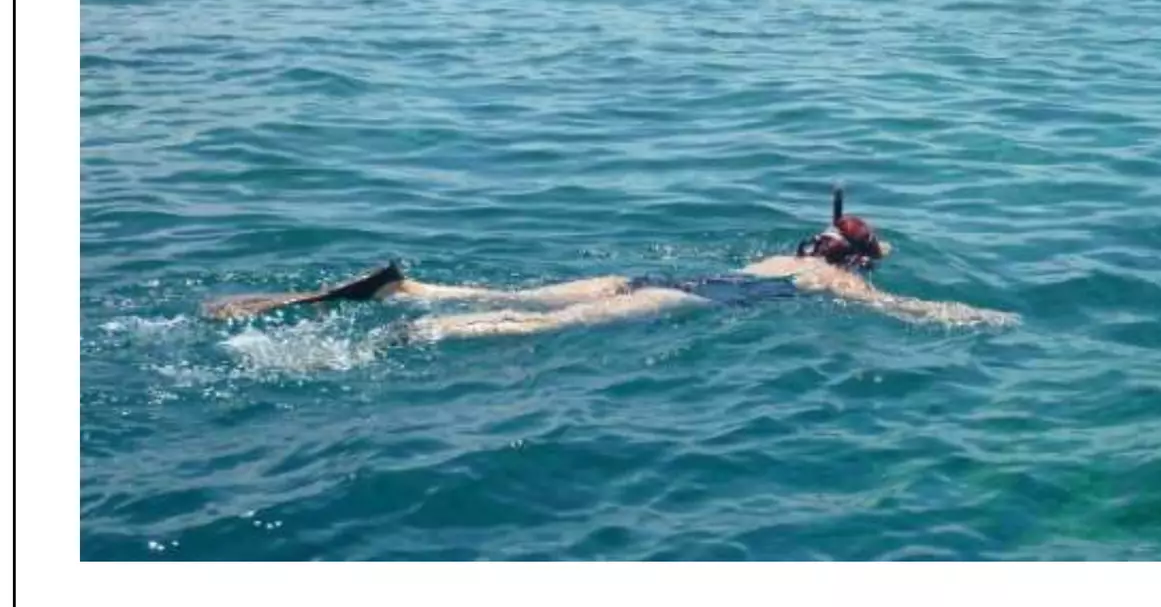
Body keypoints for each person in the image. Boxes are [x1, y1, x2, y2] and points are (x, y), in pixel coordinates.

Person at [201, 186, 1018, 336]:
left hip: (655, 276)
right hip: (688, 305)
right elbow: (897, 309)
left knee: (527, 296)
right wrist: (968, 315)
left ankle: (409, 290)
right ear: (856, 262)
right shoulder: (824, 280)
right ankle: (430, 333)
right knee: (532, 329)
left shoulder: (784, 255)